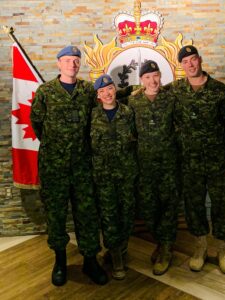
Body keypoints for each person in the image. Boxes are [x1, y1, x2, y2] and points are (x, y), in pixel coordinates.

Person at [30, 45, 108, 286]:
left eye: (76, 60)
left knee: (87, 214)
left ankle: (90, 260)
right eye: (67, 60)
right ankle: (60, 261)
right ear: (58, 64)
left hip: (83, 165)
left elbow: (96, 120)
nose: (72, 65)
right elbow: (37, 124)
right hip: (55, 167)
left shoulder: (87, 90)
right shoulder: (46, 91)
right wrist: (58, 148)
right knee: (56, 214)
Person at [171, 45, 225, 274]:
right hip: (189, 164)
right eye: (186, 62)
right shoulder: (175, 91)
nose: (190, 65)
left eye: (193, 60)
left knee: (221, 206)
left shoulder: (220, 91)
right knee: (194, 207)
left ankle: (223, 249)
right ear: (181, 66)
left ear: (200, 60)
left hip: (218, 163)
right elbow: (148, 90)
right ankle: (200, 247)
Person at [128, 60, 179, 276]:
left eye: (156, 75)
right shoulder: (134, 102)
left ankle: (166, 249)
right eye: (147, 77)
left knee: (168, 206)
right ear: (141, 80)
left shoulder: (171, 99)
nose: (153, 80)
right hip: (145, 165)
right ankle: (160, 242)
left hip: (168, 164)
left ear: (161, 75)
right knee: (149, 208)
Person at [91, 74, 138, 280]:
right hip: (103, 178)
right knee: (109, 217)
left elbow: (136, 140)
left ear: (115, 90)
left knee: (126, 215)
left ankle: (121, 248)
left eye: (110, 89)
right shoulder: (91, 116)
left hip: (126, 175)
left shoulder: (128, 113)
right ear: (98, 95)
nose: (107, 94)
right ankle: (117, 256)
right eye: (102, 91)